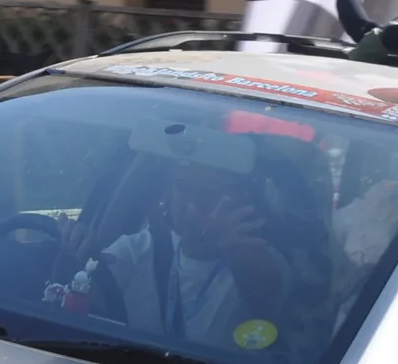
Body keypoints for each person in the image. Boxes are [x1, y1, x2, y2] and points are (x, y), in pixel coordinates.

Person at [75, 124, 291, 349]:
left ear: (239, 201)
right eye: (183, 189)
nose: (192, 208)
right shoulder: (136, 249)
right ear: (167, 194)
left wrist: (231, 250)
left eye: (209, 194)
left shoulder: (257, 260)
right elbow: (80, 306)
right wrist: (75, 255)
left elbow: (266, 297)